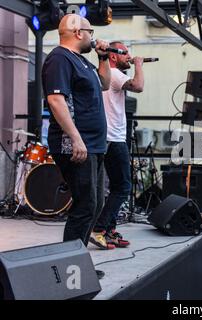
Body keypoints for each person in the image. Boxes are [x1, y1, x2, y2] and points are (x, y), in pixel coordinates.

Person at [42, 15, 111, 259]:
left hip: (94, 144)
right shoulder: (59, 59)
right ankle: (70, 266)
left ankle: (78, 263)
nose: (93, 36)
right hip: (75, 144)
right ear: (77, 32)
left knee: (95, 204)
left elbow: (104, 83)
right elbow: (55, 100)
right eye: (90, 31)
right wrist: (76, 138)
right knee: (85, 205)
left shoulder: (82, 61)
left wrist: (103, 58)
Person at [89, 41, 145, 249]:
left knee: (114, 187)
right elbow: (138, 86)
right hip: (114, 138)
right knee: (123, 187)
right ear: (113, 57)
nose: (129, 56)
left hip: (108, 137)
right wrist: (139, 64)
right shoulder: (114, 74)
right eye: (125, 53)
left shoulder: (107, 74)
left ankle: (109, 231)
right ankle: (99, 228)